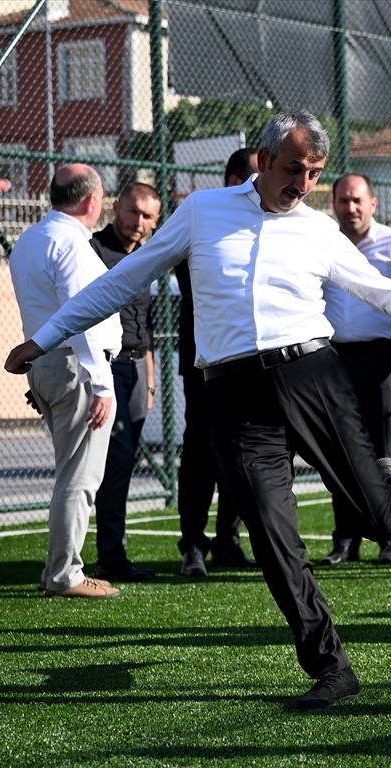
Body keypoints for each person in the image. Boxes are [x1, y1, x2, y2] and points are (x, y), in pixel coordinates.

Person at [4, 111, 391, 709]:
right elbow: (124, 280)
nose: (302, 183)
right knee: (274, 537)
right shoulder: (202, 212)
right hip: (234, 396)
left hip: (312, 377)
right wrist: (46, 336)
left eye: (314, 173)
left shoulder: (317, 229)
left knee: (382, 520)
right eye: (294, 168)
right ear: (263, 161)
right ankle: (331, 668)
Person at [9, 164, 124, 600]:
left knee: (70, 474)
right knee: (79, 477)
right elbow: (82, 317)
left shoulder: (31, 238)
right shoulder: (71, 243)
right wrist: (102, 383)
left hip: (50, 363)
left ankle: (58, 570)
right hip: (76, 364)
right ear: (92, 201)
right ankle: (64, 575)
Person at [319, 173, 391, 567]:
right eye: (343, 200)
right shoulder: (322, 241)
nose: (350, 207)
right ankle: (345, 540)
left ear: (373, 203)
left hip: (385, 358)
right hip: (335, 359)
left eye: (357, 200)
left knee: (387, 450)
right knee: (341, 451)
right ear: (334, 204)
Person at [174, 148, 259, 577]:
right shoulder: (201, 219)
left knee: (242, 450)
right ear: (233, 180)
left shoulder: (266, 226)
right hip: (205, 361)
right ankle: (192, 544)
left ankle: (229, 539)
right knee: (200, 452)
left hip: (250, 360)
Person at [89, 182, 162, 582]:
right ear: (116, 208)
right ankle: (107, 557)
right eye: (132, 212)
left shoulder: (148, 255)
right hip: (103, 368)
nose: (138, 222)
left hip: (135, 371)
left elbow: (146, 328)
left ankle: (110, 553)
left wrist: (148, 383)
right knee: (110, 462)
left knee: (124, 462)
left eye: (147, 216)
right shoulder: (93, 250)